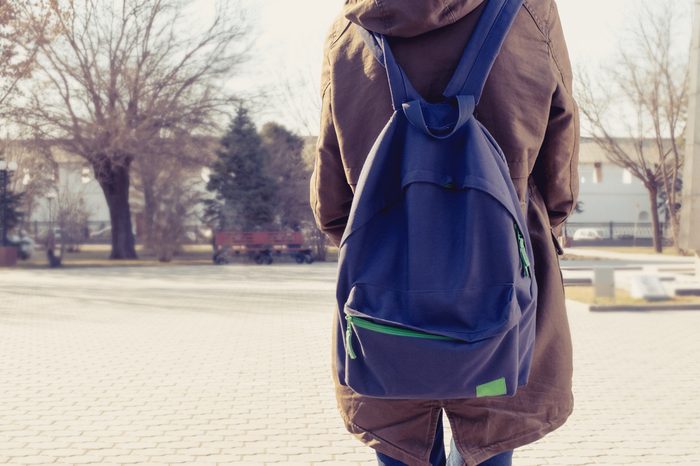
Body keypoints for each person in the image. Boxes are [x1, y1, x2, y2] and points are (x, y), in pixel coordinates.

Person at [310, 0, 579, 465]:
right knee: (491, 429)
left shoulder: (349, 30)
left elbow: (331, 200)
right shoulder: (529, 12)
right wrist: (536, 223)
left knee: (398, 433)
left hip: (383, 291)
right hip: (501, 277)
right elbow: (561, 163)